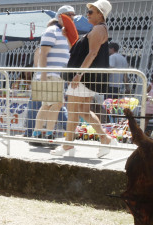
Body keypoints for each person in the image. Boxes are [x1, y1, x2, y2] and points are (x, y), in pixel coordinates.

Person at [51, 0, 115, 157]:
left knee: (73, 110)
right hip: (88, 78)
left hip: (84, 78)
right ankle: (104, 138)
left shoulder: (99, 29)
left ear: (100, 14)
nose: (88, 14)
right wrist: (68, 37)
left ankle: (68, 145)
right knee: (83, 111)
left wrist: (79, 74)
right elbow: (81, 49)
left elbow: (92, 53)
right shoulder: (98, 29)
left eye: (91, 12)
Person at [31, 5, 74, 146]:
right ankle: (47, 134)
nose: (72, 17)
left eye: (73, 15)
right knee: (54, 105)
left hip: (56, 75)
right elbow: (43, 54)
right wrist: (43, 75)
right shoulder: (52, 31)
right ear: (60, 16)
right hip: (51, 74)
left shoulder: (63, 33)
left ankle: (38, 134)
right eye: (69, 15)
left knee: (48, 105)